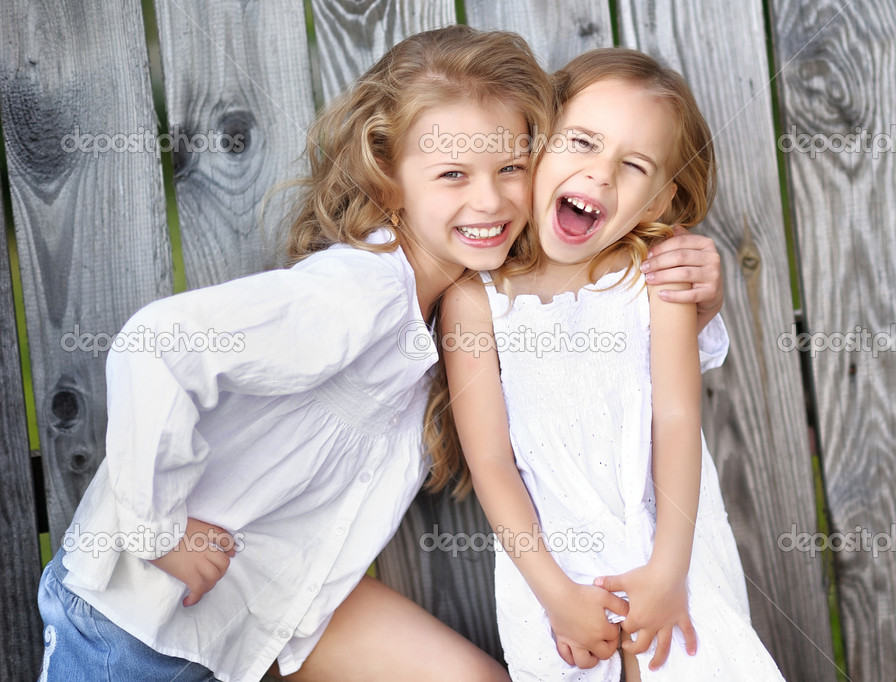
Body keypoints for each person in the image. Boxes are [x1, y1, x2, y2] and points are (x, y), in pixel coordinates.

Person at [36, 26, 550, 682]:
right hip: (136, 622)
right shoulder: (358, 292)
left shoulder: (455, 304)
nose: (490, 198)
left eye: (511, 167)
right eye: (453, 174)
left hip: (268, 604)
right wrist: (157, 532)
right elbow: (158, 343)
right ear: (388, 182)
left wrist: (694, 299)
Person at [430, 48, 785, 680]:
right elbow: (491, 460)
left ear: (656, 200)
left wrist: (668, 570)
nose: (599, 175)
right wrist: (555, 594)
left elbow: (676, 419)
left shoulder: (655, 277)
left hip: (671, 544)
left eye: (633, 165)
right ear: (535, 145)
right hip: (551, 563)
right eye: (582, 143)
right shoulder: (474, 299)